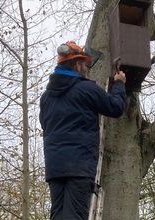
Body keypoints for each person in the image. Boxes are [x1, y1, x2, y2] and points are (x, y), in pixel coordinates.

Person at [39, 41, 126, 220]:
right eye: (85, 64)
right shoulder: (86, 89)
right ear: (78, 65)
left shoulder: (46, 97)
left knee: (57, 215)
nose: (86, 68)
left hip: (54, 167)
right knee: (75, 216)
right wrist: (119, 84)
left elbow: (45, 124)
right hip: (79, 165)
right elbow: (115, 107)